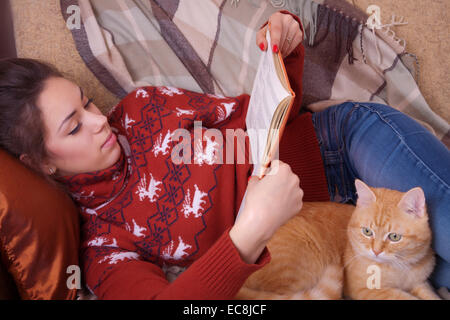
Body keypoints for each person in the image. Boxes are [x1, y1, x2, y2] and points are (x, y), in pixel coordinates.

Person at [0, 11, 448, 299]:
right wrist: (249, 233)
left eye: (87, 103)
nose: (98, 121)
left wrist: (284, 49)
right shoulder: (103, 245)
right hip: (336, 241)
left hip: (340, 147)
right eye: (74, 126)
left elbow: (262, 115)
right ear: (42, 164)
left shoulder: (142, 108)